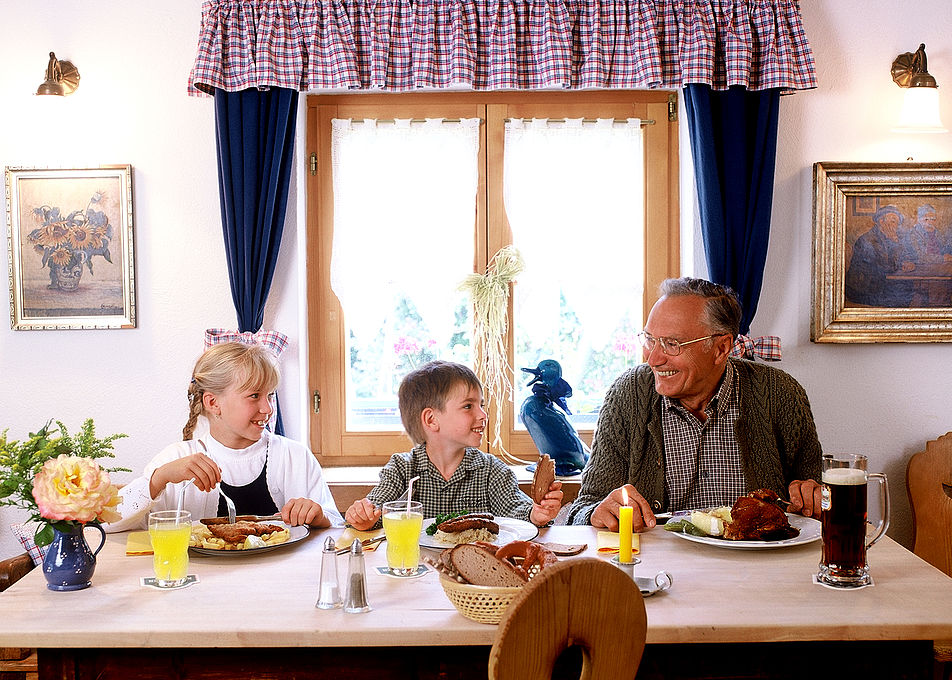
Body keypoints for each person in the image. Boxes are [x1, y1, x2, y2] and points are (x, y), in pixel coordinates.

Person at [566, 277, 823, 532]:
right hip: (659, 568)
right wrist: (598, 512)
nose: (653, 359)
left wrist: (813, 497)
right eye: (649, 340)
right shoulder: (629, 395)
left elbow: (821, 501)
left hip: (758, 568)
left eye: (671, 344)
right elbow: (583, 508)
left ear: (721, 348)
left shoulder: (780, 393)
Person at [105, 342, 342, 531]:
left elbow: (337, 527)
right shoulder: (176, 459)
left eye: (270, 395)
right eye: (254, 396)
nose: (268, 409)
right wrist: (159, 479)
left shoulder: (295, 456)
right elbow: (110, 522)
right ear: (212, 402)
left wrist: (318, 516)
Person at [345, 360, 563, 530]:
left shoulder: (491, 471)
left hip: (474, 580)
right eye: (468, 406)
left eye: (482, 404)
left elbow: (517, 511)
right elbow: (375, 511)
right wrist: (362, 517)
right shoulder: (402, 469)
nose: (482, 415)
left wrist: (537, 514)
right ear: (431, 420)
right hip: (417, 574)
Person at [845, 205, 915, 307]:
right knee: (902, 293)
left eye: (896, 223)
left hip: (879, 282)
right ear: (881, 222)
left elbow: (907, 255)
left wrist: (908, 263)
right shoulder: (869, 239)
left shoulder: (889, 236)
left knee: (907, 288)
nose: (896, 226)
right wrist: (894, 243)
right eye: (893, 221)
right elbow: (886, 267)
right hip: (863, 288)